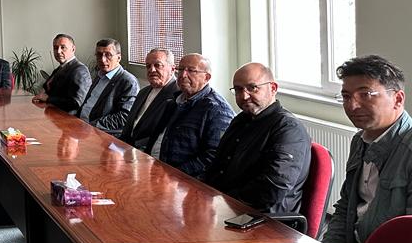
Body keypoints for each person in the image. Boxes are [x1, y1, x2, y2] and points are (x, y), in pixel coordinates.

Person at [323, 55, 412, 243]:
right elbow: (346, 206)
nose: (352, 106)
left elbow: (407, 238)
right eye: (346, 96)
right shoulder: (359, 141)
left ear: (398, 99)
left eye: (365, 94)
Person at [200, 63, 311, 215]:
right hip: (227, 205)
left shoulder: (288, 129)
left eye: (252, 88)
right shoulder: (241, 120)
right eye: (238, 89)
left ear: (273, 88)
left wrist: (222, 203)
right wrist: (203, 194)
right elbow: (217, 166)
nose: (244, 96)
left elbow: (271, 190)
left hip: (263, 217)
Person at [150, 53, 234, 177]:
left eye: (191, 70)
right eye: (181, 69)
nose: (183, 75)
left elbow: (213, 156)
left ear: (206, 77)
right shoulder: (175, 101)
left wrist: (175, 175)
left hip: (184, 179)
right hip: (156, 168)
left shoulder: (217, 110)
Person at [120, 48, 180, 152]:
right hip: (125, 147)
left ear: (172, 69)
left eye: (158, 65)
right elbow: (129, 126)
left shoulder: (178, 96)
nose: (151, 70)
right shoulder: (143, 92)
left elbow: (164, 137)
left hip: (147, 153)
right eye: (148, 66)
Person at [77, 38, 139, 137]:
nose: (102, 59)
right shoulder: (99, 75)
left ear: (118, 58)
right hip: (81, 126)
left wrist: (93, 125)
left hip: (103, 134)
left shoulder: (128, 81)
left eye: (108, 55)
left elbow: (124, 117)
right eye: (99, 55)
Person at [32, 34, 91, 113]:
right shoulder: (59, 68)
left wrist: (48, 99)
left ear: (73, 49)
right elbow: (46, 88)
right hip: (52, 114)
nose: (58, 51)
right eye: (55, 48)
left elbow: (76, 103)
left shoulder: (80, 70)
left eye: (63, 47)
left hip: (66, 118)